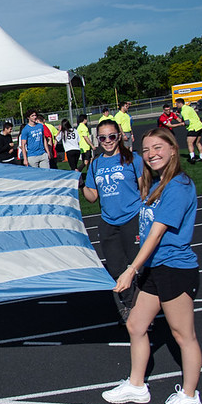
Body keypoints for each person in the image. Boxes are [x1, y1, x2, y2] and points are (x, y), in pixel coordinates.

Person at [102, 127, 202, 404]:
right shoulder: (158, 184)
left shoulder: (178, 186)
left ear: (173, 149)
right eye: (145, 150)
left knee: (183, 335)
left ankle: (189, 396)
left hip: (174, 267)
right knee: (135, 325)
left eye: (158, 148)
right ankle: (136, 386)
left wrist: (131, 270)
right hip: (155, 268)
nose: (151, 154)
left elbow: (157, 234)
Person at [81, 119, 143, 323]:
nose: (107, 141)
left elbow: (144, 190)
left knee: (137, 267)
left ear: (120, 136)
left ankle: (144, 310)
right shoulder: (96, 163)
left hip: (132, 218)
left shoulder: (133, 159)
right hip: (109, 222)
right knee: (116, 269)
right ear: (97, 140)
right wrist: (81, 184)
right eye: (102, 137)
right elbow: (92, 197)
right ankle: (130, 306)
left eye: (112, 136)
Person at [175, 98, 202, 163]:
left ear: (180, 103)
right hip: (199, 126)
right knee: (197, 142)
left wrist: (180, 124)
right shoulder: (189, 108)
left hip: (193, 127)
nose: (176, 105)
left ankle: (192, 157)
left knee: (189, 142)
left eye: (176, 104)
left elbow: (187, 122)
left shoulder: (184, 111)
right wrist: (179, 115)